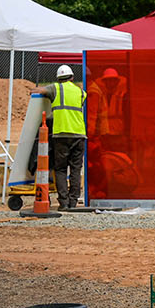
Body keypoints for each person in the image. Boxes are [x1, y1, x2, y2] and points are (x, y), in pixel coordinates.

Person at [37, 64, 87, 210]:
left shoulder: (55, 88)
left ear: (58, 79)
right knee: (76, 169)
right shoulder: (81, 92)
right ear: (72, 77)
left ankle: (63, 203)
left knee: (60, 169)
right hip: (79, 134)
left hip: (61, 134)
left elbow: (39, 90)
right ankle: (73, 202)